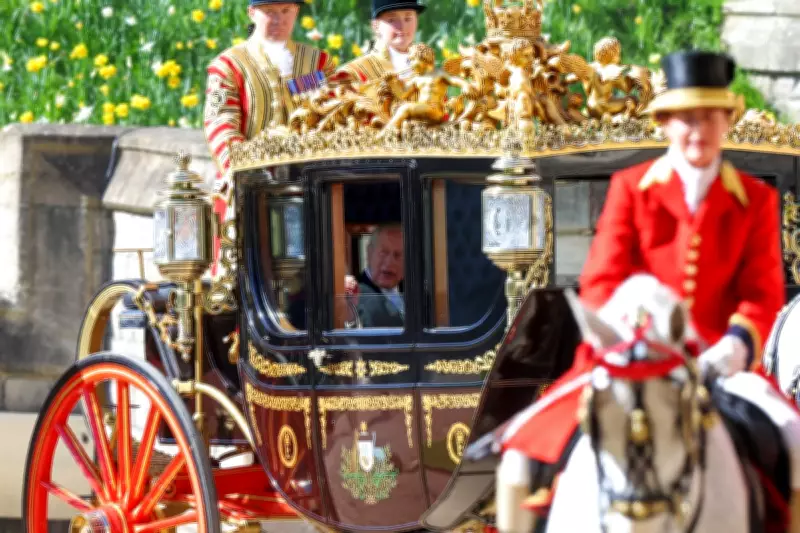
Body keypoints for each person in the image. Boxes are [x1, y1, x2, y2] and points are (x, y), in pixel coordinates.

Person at [497, 50, 797, 523]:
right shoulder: (632, 188)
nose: (696, 130)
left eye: (708, 117)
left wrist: (737, 345)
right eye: (685, 118)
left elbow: (762, 292)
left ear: (726, 121)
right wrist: (627, 334)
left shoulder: (756, 200)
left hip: (718, 362)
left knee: (794, 441)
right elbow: (600, 281)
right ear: (665, 124)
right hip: (628, 355)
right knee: (515, 460)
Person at [203, 0, 335, 274]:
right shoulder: (229, 65)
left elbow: (333, 113)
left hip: (309, 183)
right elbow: (221, 124)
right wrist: (246, 171)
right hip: (252, 187)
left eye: (286, 12)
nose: (279, 20)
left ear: (296, 13)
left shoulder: (318, 63)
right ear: (252, 13)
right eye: (270, 12)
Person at [335, 0, 424, 84]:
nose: (402, 26)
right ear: (376, 26)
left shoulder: (426, 67)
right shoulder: (355, 73)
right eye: (392, 20)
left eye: (408, 19)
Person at [356, 225, 405, 328]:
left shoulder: (417, 293)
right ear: (369, 253)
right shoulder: (357, 297)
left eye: (398, 255)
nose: (390, 262)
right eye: (384, 253)